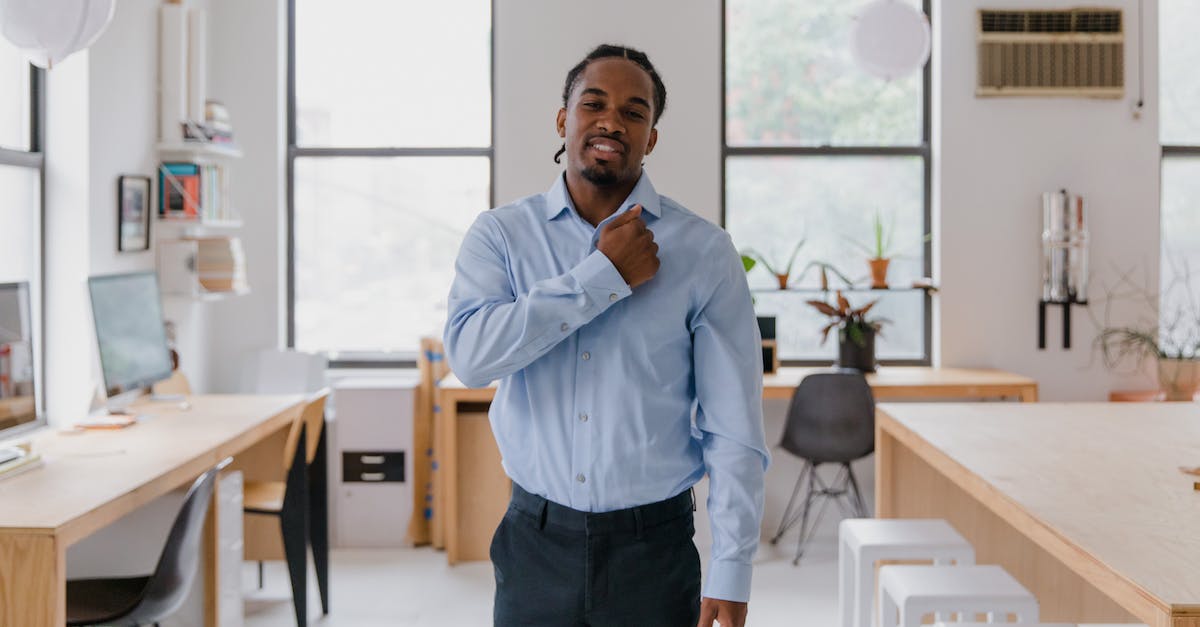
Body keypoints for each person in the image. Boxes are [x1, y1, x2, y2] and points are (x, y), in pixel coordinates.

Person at [445, 43, 769, 627]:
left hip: (656, 550)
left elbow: (734, 425)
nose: (611, 120)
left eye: (634, 111)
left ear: (650, 138)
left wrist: (733, 564)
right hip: (533, 544)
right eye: (593, 103)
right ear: (563, 119)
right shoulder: (500, 236)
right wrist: (603, 277)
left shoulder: (704, 251)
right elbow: (471, 358)